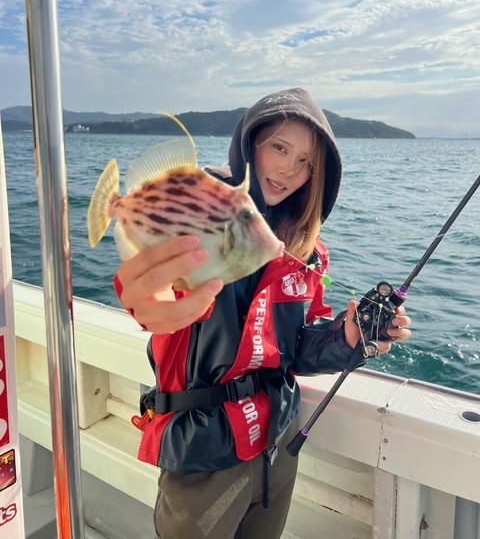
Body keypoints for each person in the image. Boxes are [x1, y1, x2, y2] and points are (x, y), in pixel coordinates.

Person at [114, 88, 412, 539]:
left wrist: (348, 337)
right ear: (249, 144)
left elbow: (296, 348)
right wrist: (144, 299)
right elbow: (154, 286)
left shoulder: (308, 251)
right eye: (279, 147)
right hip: (203, 450)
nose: (290, 169)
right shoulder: (205, 214)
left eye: (306, 162)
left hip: (277, 443)